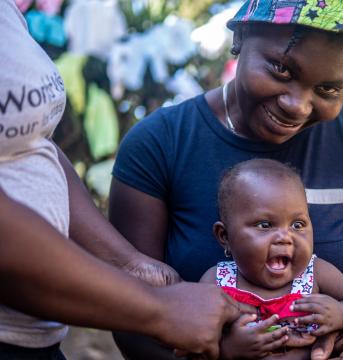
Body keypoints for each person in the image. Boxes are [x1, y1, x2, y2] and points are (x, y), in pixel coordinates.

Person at [110, 0, 343, 359]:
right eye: (281, 69)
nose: (298, 105)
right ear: (240, 35)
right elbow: (133, 316)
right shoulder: (161, 143)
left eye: (329, 89)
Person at [0, 1, 246, 358]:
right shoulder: (162, 139)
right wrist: (158, 309)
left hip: (37, 337)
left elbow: (32, 145)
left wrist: (128, 262)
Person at [200, 159, 343, 359]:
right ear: (224, 236)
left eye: (297, 225)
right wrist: (228, 349)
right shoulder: (216, 282)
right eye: (264, 225)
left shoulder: (315, 273)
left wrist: (342, 313)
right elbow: (194, 342)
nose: (285, 237)